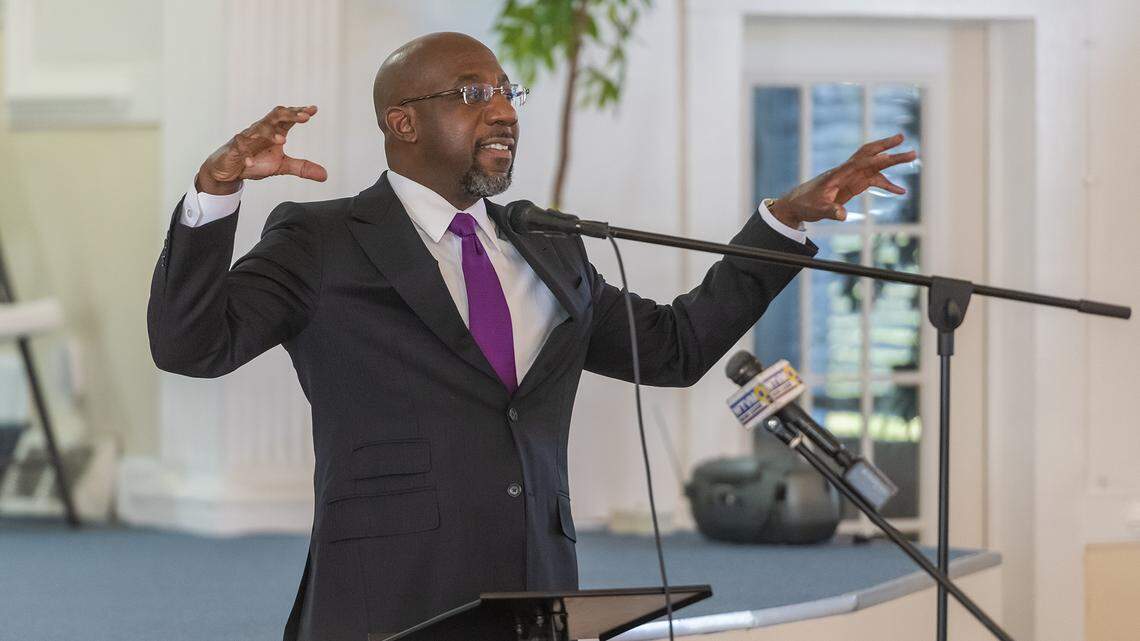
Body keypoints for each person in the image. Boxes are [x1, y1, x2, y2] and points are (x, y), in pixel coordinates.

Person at [148, 31, 914, 641]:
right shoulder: (322, 239)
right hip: (390, 596)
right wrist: (216, 196)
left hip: (537, 591)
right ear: (401, 121)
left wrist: (782, 224)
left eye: (508, 94)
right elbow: (191, 345)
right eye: (474, 94)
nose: (504, 111)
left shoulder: (547, 246)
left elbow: (676, 348)